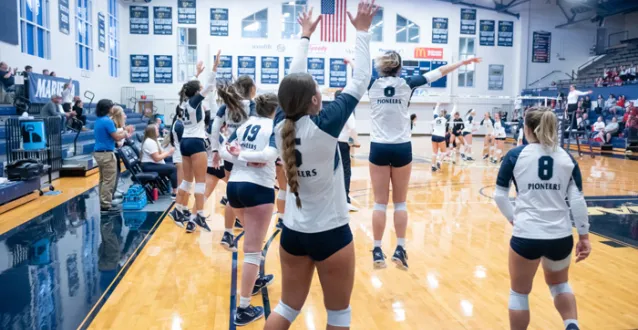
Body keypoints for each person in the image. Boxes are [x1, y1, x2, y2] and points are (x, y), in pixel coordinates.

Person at [263, 3, 374, 329]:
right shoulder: (326, 125)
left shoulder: (280, 124)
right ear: (314, 101)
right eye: (317, 92)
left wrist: (305, 36)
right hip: (331, 234)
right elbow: (362, 77)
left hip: (293, 234)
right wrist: (363, 32)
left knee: (286, 307)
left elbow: (291, 81)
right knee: (338, 314)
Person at [367, 37, 481, 270]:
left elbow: (357, 70)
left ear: (381, 67)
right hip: (401, 147)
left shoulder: (371, 84)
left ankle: (378, 250)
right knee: (400, 203)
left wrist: (350, 62)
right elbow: (440, 71)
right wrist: (463, 62)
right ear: (399, 68)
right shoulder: (407, 84)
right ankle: (400, 247)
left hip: (378, 146)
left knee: (380, 203)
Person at [494, 107, 591, 330]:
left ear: (527, 129)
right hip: (560, 236)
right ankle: (572, 325)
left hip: (526, 235)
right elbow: (577, 201)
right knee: (559, 285)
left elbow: (500, 195)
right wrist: (584, 237)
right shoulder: (566, 157)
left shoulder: (516, 155)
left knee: (519, 292)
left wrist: (513, 219)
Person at [219, 93, 279, 326]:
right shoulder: (273, 126)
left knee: (253, 241)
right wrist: (249, 157)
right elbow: (269, 155)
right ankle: (243, 308)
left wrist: (241, 156)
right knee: (253, 250)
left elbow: (225, 151)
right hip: (258, 189)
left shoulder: (244, 126)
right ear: (276, 109)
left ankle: (251, 278)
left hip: (234, 187)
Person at [169, 52, 220, 233]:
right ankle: (199, 214)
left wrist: (196, 74)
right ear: (196, 92)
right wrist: (213, 68)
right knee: (200, 183)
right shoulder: (194, 102)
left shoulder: (183, 103)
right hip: (196, 142)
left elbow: (187, 88)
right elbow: (209, 86)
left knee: (187, 181)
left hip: (184, 144)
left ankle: (179, 210)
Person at [210, 75, 257, 246]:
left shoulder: (226, 106)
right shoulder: (253, 105)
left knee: (232, 194)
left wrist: (215, 150)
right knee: (251, 194)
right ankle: (251, 232)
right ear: (251, 89)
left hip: (229, 154)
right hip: (247, 155)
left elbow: (214, 128)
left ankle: (228, 233)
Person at [94, 99, 134, 213]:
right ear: (108, 108)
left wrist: (124, 132)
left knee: (103, 180)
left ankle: (103, 202)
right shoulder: (107, 121)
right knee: (108, 181)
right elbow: (116, 137)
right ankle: (106, 205)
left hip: (99, 153)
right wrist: (126, 133)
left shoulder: (99, 120)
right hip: (106, 153)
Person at [335, 89, 360, 212]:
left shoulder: (332, 110)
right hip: (342, 144)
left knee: (334, 171)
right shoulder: (347, 111)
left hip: (332, 143)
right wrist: (356, 141)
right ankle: (344, 200)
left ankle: (334, 200)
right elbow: (352, 129)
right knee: (345, 171)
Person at [140, 124, 178, 197]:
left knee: (173, 161)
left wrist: (169, 153)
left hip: (153, 163)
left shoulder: (154, 140)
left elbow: (162, 153)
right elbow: (157, 158)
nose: (158, 130)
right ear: (152, 132)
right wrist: (169, 152)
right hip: (148, 166)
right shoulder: (149, 142)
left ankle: (173, 185)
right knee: (173, 168)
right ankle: (175, 192)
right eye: (156, 129)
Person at [431, 106, 448, 172]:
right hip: (440, 137)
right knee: (444, 152)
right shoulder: (445, 118)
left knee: (434, 153)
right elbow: (453, 112)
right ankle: (439, 162)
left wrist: (438, 104)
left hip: (434, 136)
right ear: (445, 114)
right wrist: (455, 105)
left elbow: (434, 111)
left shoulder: (436, 117)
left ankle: (433, 166)